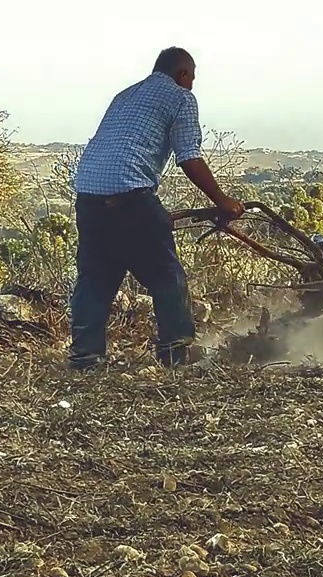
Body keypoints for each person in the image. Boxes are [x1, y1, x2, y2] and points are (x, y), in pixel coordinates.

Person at [68, 46, 245, 370]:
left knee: (96, 279)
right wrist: (223, 202)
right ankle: (176, 354)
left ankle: (85, 358)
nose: (192, 85)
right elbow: (189, 157)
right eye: (191, 78)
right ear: (182, 74)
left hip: (88, 196)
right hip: (131, 196)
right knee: (167, 277)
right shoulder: (180, 98)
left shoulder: (125, 95)